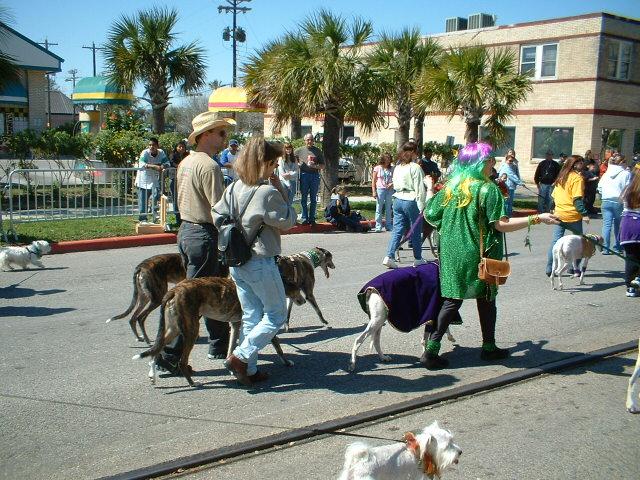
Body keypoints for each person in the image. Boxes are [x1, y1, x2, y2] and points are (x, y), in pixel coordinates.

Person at [423, 142, 559, 369]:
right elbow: (500, 225)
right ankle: (488, 347)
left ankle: (432, 350)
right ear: (479, 163)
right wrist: (537, 218)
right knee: (486, 297)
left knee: (453, 300)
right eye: (489, 160)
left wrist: (432, 193)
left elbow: (431, 213)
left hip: (451, 252)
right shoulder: (488, 189)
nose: (493, 164)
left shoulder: (451, 188)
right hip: (479, 252)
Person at [212, 137, 296, 386]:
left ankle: (249, 370)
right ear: (265, 163)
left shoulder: (233, 188)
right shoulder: (267, 193)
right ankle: (240, 357)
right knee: (276, 315)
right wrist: (281, 190)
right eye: (274, 163)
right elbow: (288, 221)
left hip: (237, 260)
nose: (276, 167)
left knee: (251, 315)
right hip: (261, 260)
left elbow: (216, 214)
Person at [157, 111, 236, 372]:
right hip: (204, 234)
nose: (225, 137)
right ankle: (171, 356)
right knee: (192, 297)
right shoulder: (209, 166)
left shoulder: (186, 162)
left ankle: (220, 344)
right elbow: (219, 208)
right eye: (221, 132)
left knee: (213, 290)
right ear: (205, 135)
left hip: (187, 231)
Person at [382, 141, 426, 269]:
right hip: (411, 199)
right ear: (413, 152)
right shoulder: (415, 167)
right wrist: (422, 206)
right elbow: (419, 188)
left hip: (398, 198)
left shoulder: (398, 167)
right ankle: (418, 258)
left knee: (397, 229)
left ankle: (389, 256)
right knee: (415, 229)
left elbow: (395, 183)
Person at [545, 155, 590, 277]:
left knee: (556, 242)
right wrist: (584, 214)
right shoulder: (577, 178)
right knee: (580, 242)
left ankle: (550, 268)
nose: (583, 165)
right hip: (573, 215)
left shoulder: (561, 176)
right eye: (581, 163)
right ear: (575, 164)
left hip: (559, 214)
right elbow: (577, 199)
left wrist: (552, 207)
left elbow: (553, 196)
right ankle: (574, 268)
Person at [598, 154, 632, 254]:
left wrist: (604, 194)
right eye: (625, 162)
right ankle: (617, 247)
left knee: (606, 225)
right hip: (618, 201)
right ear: (622, 162)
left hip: (606, 200)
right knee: (618, 225)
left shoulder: (606, 173)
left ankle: (605, 248)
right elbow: (628, 188)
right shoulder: (626, 173)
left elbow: (600, 187)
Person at [135, 137, 170, 223]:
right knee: (143, 201)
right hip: (143, 180)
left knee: (156, 194)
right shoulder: (145, 152)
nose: (151, 147)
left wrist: (163, 166)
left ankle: (154, 213)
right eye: (150, 145)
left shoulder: (161, 153)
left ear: (157, 146)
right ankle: (143, 219)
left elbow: (167, 163)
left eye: (153, 145)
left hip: (154, 180)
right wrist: (154, 166)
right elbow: (141, 164)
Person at [295, 133, 325, 225]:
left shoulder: (317, 151)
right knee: (303, 198)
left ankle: (312, 218)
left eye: (311, 140)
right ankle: (304, 218)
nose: (310, 141)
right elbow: (290, 158)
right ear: (305, 140)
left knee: (313, 198)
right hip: (304, 175)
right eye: (308, 140)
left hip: (314, 176)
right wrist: (297, 164)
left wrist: (314, 166)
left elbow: (323, 166)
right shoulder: (299, 150)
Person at [620, 168, 640, 297]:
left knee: (631, 257)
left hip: (627, 225)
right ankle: (638, 278)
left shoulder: (628, 189)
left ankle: (630, 287)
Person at [497, 149, 524, 217]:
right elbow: (512, 175)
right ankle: (506, 216)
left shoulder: (513, 165)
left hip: (511, 186)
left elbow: (516, 174)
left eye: (512, 161)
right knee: (506, 202)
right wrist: (520, 183)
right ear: (506, 160)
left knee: (509, 202)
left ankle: (508, 215)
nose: (511, 162)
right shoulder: (506, 166)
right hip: (506, 186)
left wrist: (519, 182)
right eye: (509, 161)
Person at [371, 153, 394, 232]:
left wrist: (392, 184)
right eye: (387, 159)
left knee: (388, 208)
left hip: (389, 190)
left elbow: (396, 178)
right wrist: (374, 191)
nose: (388, 161)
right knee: (379, 208)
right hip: (380, 189)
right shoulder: (377, 168)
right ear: (383, 159)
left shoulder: (392, 168)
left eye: (389, 159)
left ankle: (388, 225)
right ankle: (378, 226)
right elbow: (373, 180)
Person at [169, 139, 189, 226]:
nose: (181, 148)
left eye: (183, 147)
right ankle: (178, 219)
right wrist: (181, 166)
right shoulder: (172, 155)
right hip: (174, 179)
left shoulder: (187, 155)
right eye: (179, 147)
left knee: (185, 199)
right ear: (176, 147)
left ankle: (185, 219)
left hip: (185, 179)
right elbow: (172, 163)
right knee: (176, 199)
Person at [278, 142, 299, 207]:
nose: (288, 150)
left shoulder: (294, 159)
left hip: (292, 181)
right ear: (284, 150)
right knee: (284, 200)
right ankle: (284, 212)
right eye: (287, 149)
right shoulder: (281, 159)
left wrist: (290, 174)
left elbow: (296, 170)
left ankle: (289, 212)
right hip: (283, 182)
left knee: (290, 201)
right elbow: (281, 172)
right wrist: (288, 182)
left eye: (290, 149)